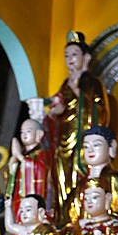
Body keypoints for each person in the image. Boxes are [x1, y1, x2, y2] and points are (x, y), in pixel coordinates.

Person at [36, 31, 110, 224]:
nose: (70, 59)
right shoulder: (63, 85)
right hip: (63, 141)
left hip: (83, 140)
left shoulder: (91, 82)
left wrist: (79, 85)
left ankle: (80, 219)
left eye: (74, 55)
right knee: (61, 181)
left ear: (85, 57)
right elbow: (56, 112)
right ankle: (63, 220)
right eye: (67, 56)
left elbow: (100, 110)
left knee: (81, 179)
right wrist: (53, 113)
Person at [6, 118, 53, 235]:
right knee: (19, 226)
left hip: (34, 198)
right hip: (19, 199)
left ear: (39, 134)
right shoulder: (25, 156)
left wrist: (20, 157)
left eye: (29, 131)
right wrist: (13, 161)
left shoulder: (43, 154)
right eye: (22, 132)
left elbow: (40, 168)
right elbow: (13, 176)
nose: (25, 135)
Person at [65, 125, 118, 226]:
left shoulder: (114, 178)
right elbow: (74, 212)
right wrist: (77, 225)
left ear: (111, 146)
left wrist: (98, 222)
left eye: (96, 145)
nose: (90, 150)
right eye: (86, 146)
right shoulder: (81, 183)